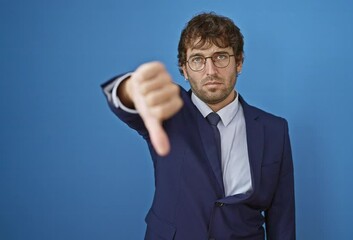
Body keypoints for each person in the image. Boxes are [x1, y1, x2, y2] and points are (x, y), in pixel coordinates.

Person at [101, 12, 295, 240]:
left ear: (239, 62)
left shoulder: (274, 130)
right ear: (183, 69)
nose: (210, 71)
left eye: (221, 57)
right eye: (198, 60)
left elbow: (282, 217)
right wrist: (131, 89)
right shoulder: (167, 110)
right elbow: (127, 103)